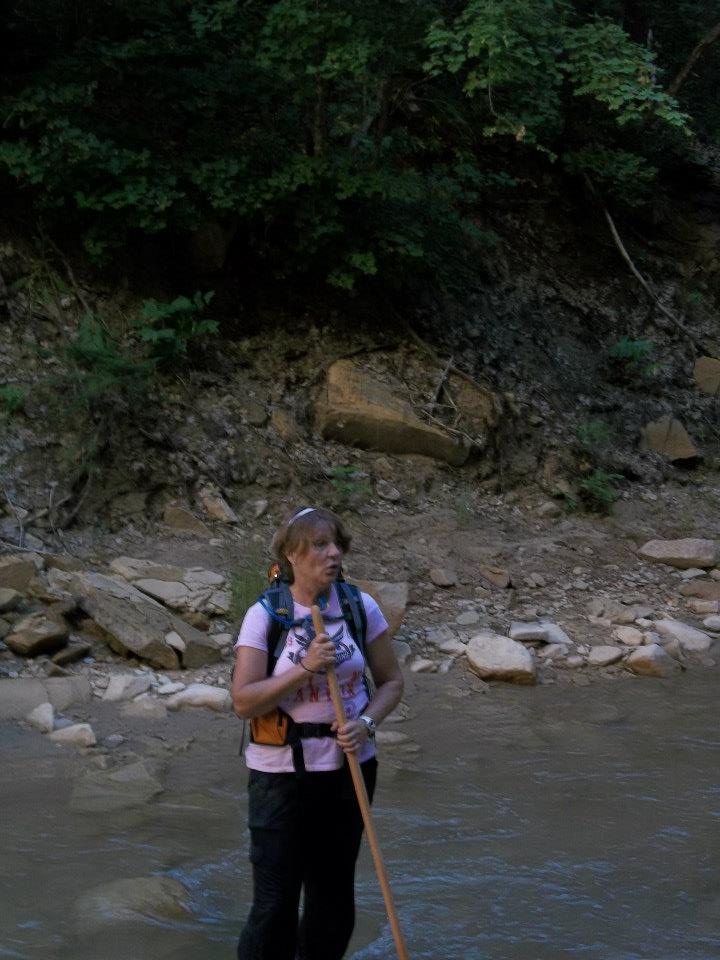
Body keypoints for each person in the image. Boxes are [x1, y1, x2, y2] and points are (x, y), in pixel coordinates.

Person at [231, 506, 404, 960]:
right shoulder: (265, 615)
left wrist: (367, 724)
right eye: (320, 545)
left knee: (333, 900)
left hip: (349, 769)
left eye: (337, 545)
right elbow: (243, 701)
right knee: (275, 905)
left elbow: (392, 682)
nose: (334, 554)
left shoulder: (359, 607)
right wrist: (305, 668)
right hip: (279, 776)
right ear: (291, 554)